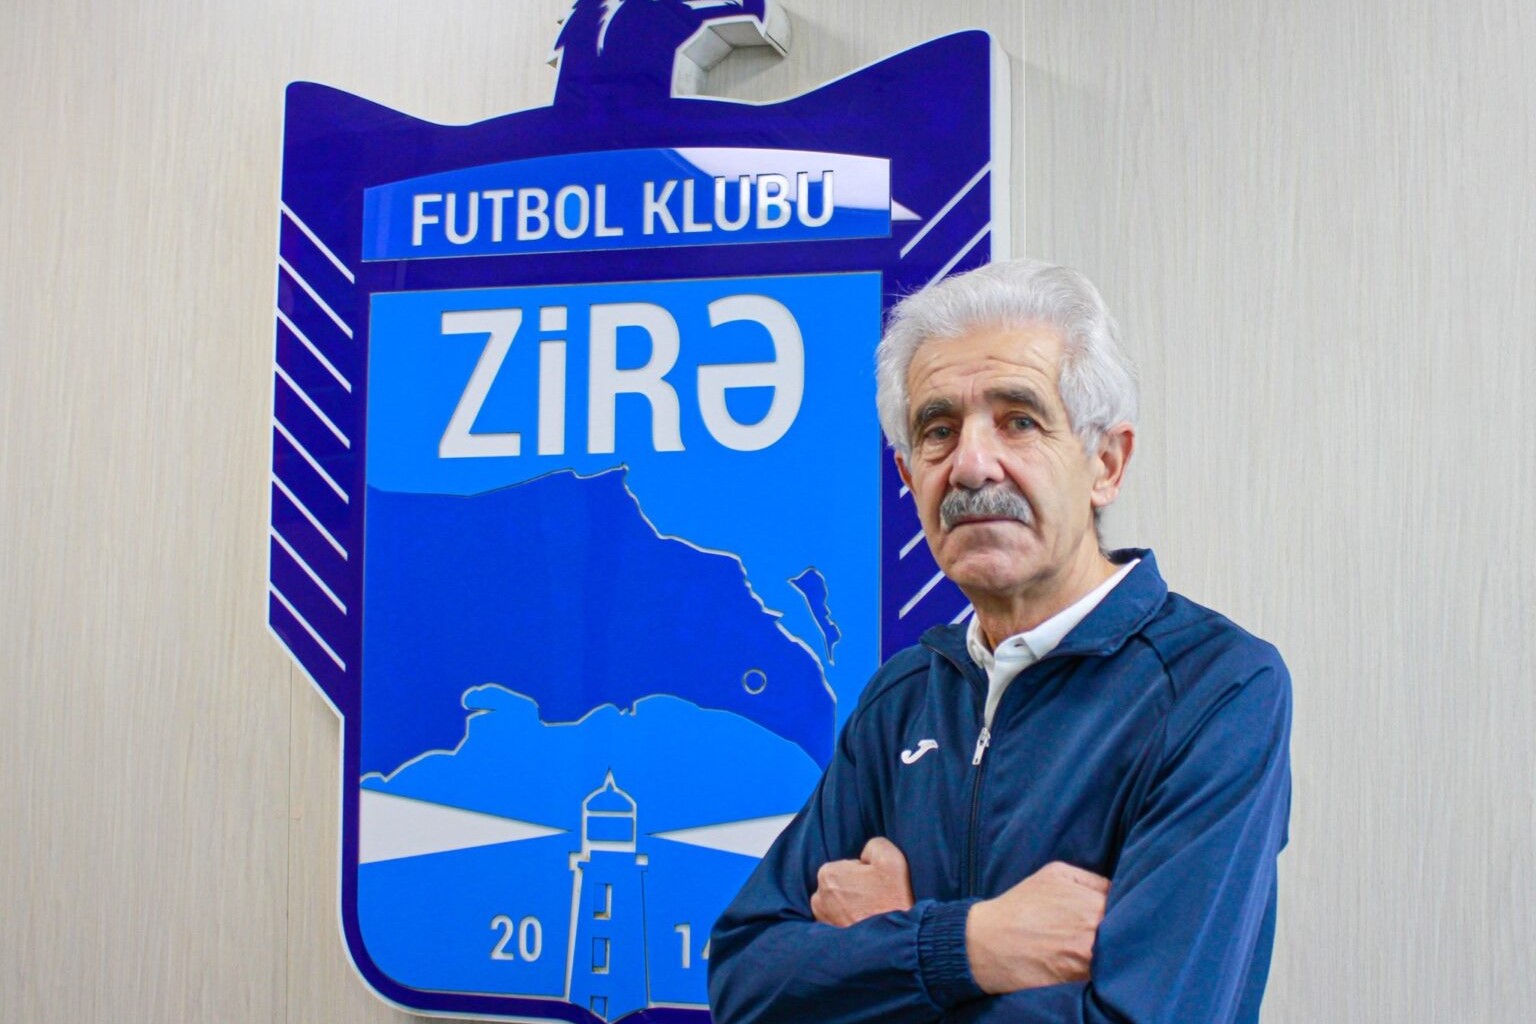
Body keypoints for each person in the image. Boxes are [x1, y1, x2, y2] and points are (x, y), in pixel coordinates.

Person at [707, 259, 1292, 1023]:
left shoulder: (1216, 688)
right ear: (908, 475)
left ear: (1105, 464)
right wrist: (968, 945)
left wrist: (877, 951)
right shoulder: (904, 697)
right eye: (938, 431)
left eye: (1019, 420)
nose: (972, 465)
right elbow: (746, 983)